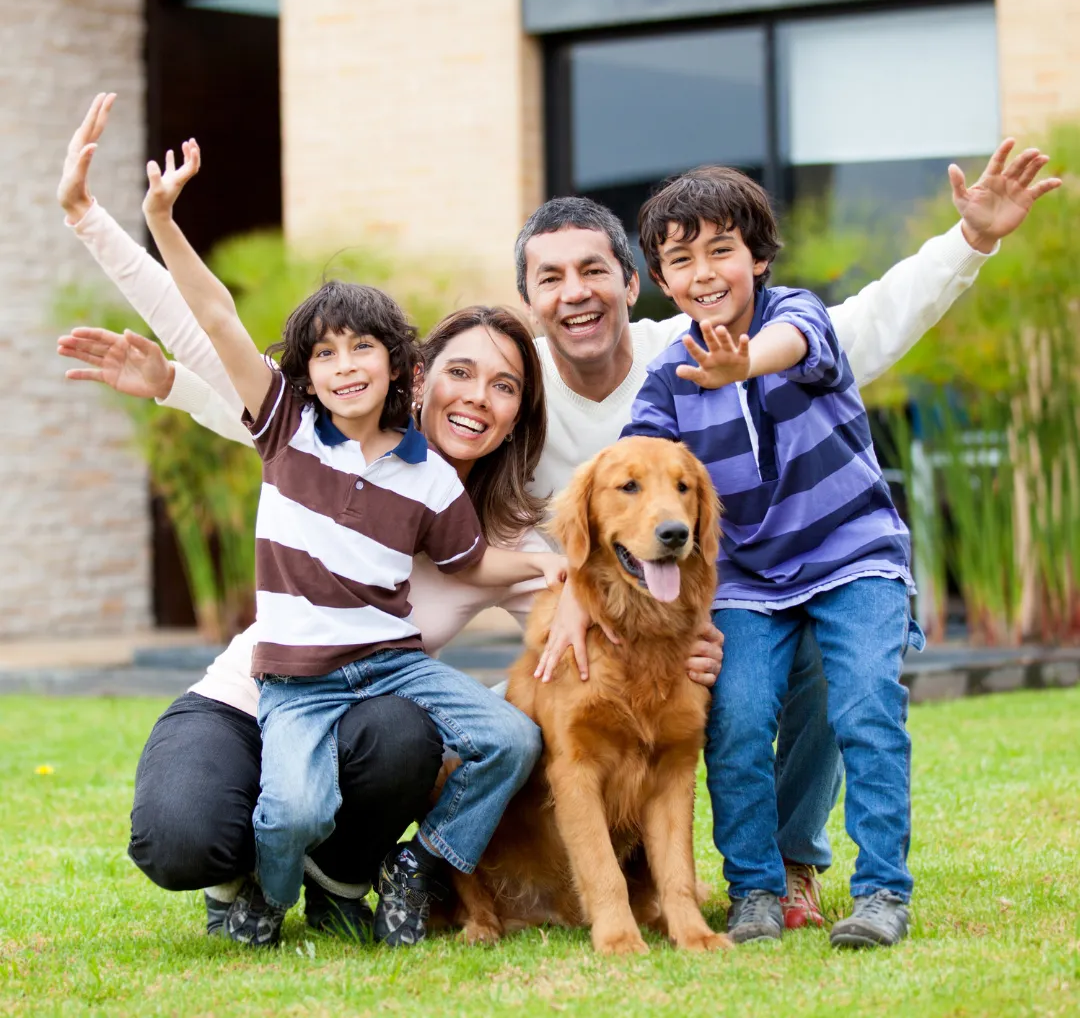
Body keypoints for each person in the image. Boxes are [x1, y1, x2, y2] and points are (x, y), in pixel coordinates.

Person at [59, 90, 1058, 933]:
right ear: (523, 303)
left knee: (769, 653)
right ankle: (277, 872)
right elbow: (239, 374)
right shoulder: (408, 425)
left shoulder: (668, 371)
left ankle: (784, 865)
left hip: (403, 697)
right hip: (267, 689)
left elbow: (856, 330)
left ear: (634, 283)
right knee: (195, 831)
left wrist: (969, 240)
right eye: (549, 279)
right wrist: (122, 279)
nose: (479, 399)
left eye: (593, 272)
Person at [137, 134, 571, 949]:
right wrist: (162, 222)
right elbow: (218, 320)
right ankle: (263, 897)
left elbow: (471, 563)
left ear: (400, 365)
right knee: (292, 808)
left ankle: (424, 863)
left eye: (361, 347)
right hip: (295, 678)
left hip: (390, 667)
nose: (344, 365)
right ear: (304, 374)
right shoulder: (286, 432)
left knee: (512, 738)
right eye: (325, 354)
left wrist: (555, 565)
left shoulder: (431, 479)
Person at [622, 164, 919, 947]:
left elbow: (794, 345)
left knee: (864, 706)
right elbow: (635, 473)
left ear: (757, 257)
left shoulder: (796, 315)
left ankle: (883, 890)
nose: (704, 272)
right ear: (660, 279)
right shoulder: (665, 377)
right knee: (740, 720)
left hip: (853, 552)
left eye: (722, 250)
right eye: (681, 260)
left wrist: (743, 362)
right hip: (749, 578)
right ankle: (754, 888)